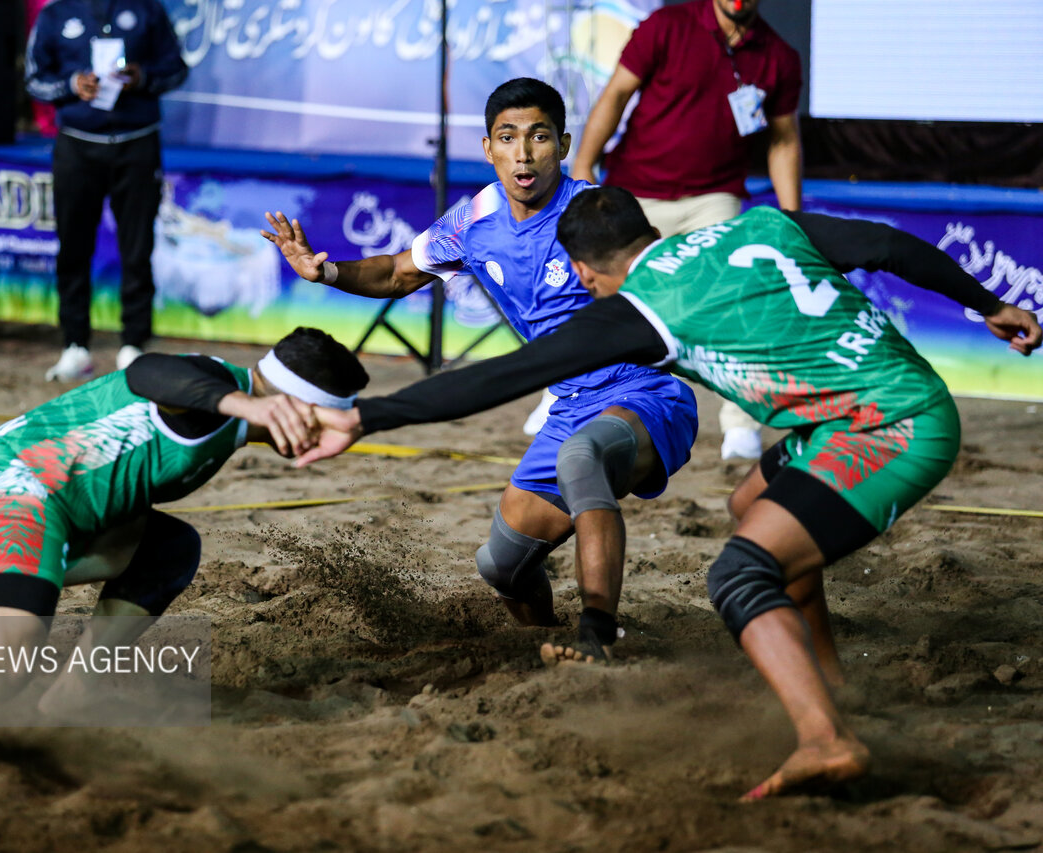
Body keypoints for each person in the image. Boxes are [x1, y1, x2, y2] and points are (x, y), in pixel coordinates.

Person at [296, 189, 1041, 798]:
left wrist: (368, 415)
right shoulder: (758, 226)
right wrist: (988, 302)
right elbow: (887, 243)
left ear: (586, 273)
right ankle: (832, 682)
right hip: (886, 401)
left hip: (888, 428)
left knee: (738, 573)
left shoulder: (633, 309)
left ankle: (826, 738)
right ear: (649, 229)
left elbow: (499, 379)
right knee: (749, 504)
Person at [261, 78, 699, 663]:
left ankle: (598, 636)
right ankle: (546, 650)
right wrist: (327, 273)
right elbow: (397, 272)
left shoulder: (594, 212)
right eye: (508, 138)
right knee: (502, 565)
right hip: (570, 405)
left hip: (643, 392)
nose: (524, 153)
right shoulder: (474, 220)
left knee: (581, 458)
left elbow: (667, 290)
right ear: (488, 148)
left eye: (539, 137)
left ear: (563, 145)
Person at [0, 327, 369, 710]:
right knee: (6, 664)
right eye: (321, 421)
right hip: (9, 494)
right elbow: (148, 371)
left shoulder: (223, 401)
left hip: (58, 511)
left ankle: (74, 692)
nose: (324, 438)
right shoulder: (214, 390)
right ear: (290, 406)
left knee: (169, 549)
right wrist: (250, 407)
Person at [571, 0, 803, 461]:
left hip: (713, 197)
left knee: (738, 297)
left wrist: (792, 217)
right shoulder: (666, 25)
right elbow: (615, 95)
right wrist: (582, 168)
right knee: (604, 298)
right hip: (635, 193)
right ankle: (567, 397)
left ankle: (740, 423)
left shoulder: (779, 56)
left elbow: (783, 139)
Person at [26, 0, 187, 381]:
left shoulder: (146, 10)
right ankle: (75, 346)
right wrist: (71, 85)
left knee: (137, 249)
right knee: (73, 249)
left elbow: (177, 69)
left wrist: (142, 78)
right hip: (77, 146)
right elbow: (33, 78)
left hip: (137, 143)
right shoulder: (55, 14)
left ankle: (133, 345)